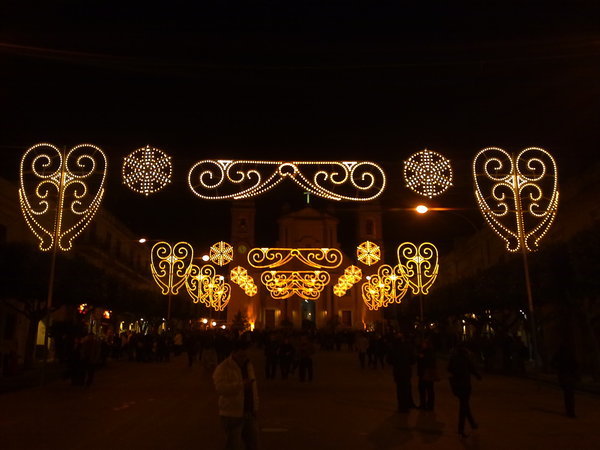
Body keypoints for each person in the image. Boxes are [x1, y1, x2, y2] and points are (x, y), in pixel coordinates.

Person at [213, 341, 259, 450]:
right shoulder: (223, 368)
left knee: (253, 444)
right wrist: (241, 385)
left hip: (249, 412)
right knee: (233, 444)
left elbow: (254, 389)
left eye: (245, 355)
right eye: (241, 355)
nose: (243, 358)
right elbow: (221, 389)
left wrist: (256, 406)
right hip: (232, 414)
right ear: (234, 353)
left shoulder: (248, 365)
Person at [447, 342, 481, 438]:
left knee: (464, 404)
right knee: (464, 406)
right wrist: (478, 376)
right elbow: (472, 369)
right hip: (465, 384)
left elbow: (449, 369)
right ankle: (461, 429)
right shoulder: (466, 358)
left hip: (457, 385)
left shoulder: (453, 358)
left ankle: (471, 423)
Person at [387, 333, 416, 413]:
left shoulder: (393, 348)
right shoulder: (408, 347)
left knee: (400, 389)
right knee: (406, 388)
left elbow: (389, 360)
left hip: (398, 371)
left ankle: (401, 406)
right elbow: (413, 360)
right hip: (406, 370)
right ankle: (406, 405)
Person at [552, 344, 578, 418]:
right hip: (569, 376)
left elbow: (552, 363)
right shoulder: (570, 355)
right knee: (570, 395)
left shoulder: (559, 355)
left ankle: (569, 411)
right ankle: (571, 411)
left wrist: (558, 368)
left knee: (567, 395)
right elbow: (576, 365)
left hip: (563, 377)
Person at [416, 339, 437, 411]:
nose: (422, 344)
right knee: (424, 389)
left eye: (424, 343)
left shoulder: (429, 352)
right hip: (423, 373)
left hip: (427, 373)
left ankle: (429, 405)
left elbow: (430, 362)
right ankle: (424, 404)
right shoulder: (423, 351)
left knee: (428, 389)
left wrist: (422, 358)